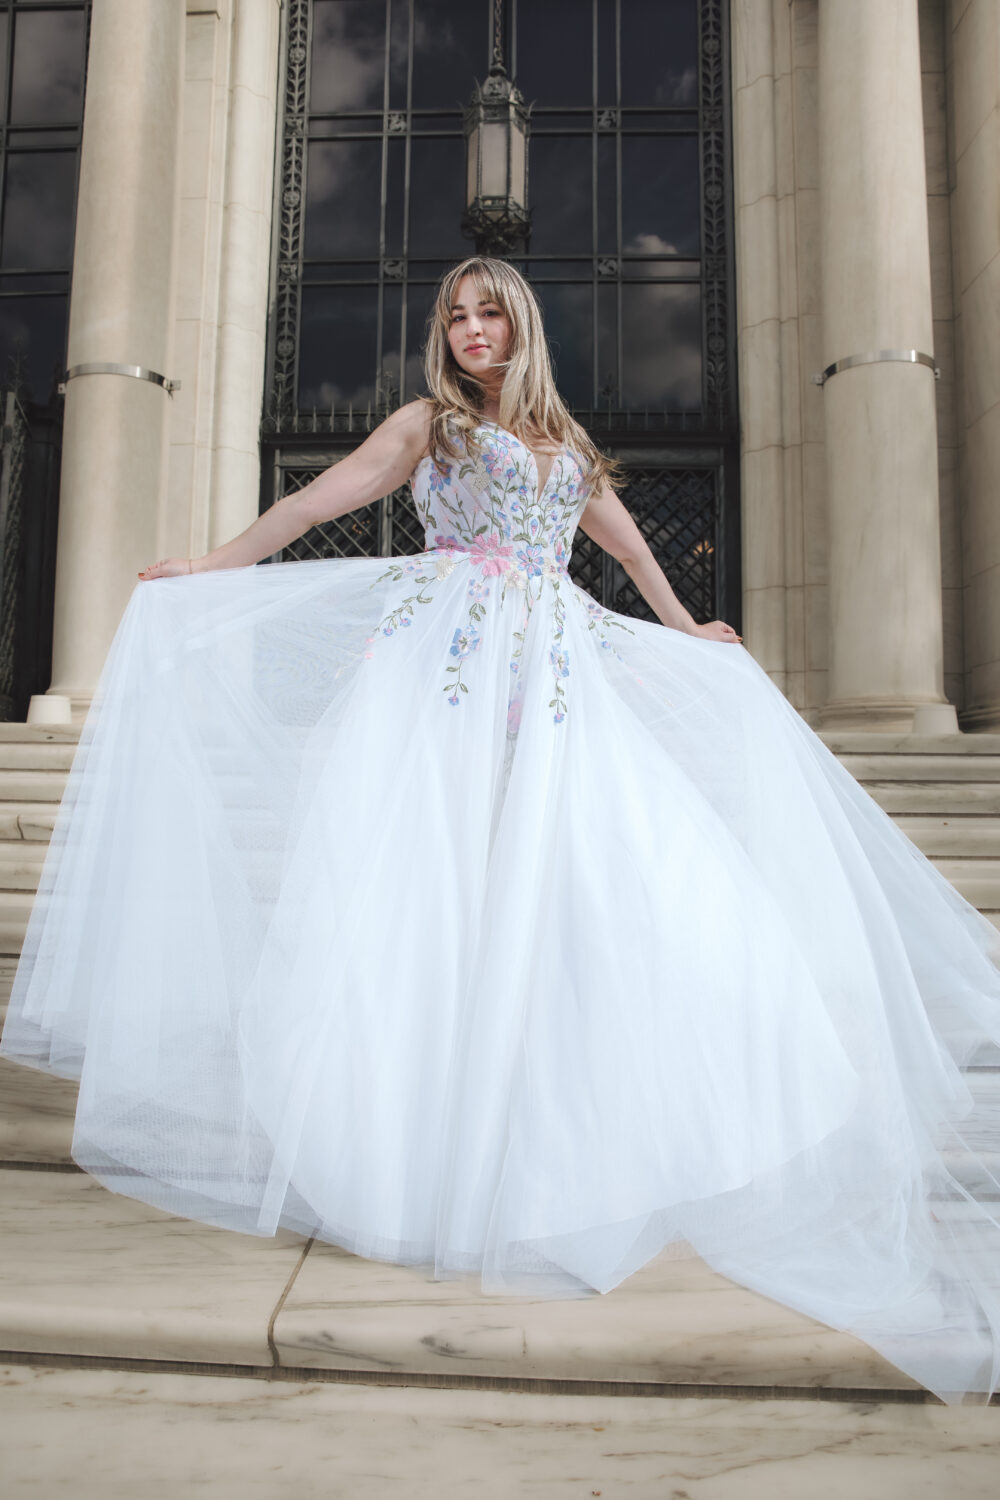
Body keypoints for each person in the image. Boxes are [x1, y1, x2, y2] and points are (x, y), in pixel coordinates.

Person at [3, 255, 1000, 1408]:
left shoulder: (565, 444)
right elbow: (316, 501)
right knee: (437, 890)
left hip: (560, 673)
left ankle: (556, 1136)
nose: (472, 331)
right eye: (456, 316)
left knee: (583, 885)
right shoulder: (427, 426)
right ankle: (423, 1151)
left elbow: (622, 548)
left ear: (520, 323)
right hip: (448, 676)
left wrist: (685, 625)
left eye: (489, 313)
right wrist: (210, 567)